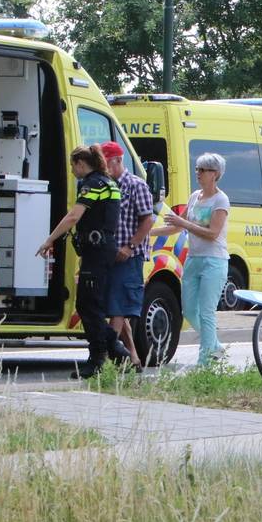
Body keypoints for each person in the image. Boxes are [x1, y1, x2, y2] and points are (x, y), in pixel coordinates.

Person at [36, 145, 130, 378]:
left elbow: (73, 216)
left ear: (80, 163)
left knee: (88, 306)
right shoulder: (108, 182)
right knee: (90, 305)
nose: (72, 171)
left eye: (72, 165)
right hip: (101, 249)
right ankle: (114, 351)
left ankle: (102, 357)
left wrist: (49, 240)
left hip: (97, 251)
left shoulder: (93, 184)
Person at [156, 153, 231, 367]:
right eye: (197, 168)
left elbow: (213, 233)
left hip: (214, 261)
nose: (198, 173)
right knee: (188, 310)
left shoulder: (221, 200)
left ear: (215, 174)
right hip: (193, 259)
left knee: (206, 312)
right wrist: (149, 233)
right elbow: (177, 226)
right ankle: (214, 345)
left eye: (203, 170)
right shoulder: (194, 196)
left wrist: (184, 223)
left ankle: (205, 362)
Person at [100, 141, 155, 369]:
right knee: (116, 306)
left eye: (106, 163)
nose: (103, 168)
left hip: (129, 256)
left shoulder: (136, 185)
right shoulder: (105, 185)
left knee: (119, 306)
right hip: (109, 255)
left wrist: (130, 246)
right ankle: (132, 356)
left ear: (118, 160)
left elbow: (148, 220)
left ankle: (105, 356)